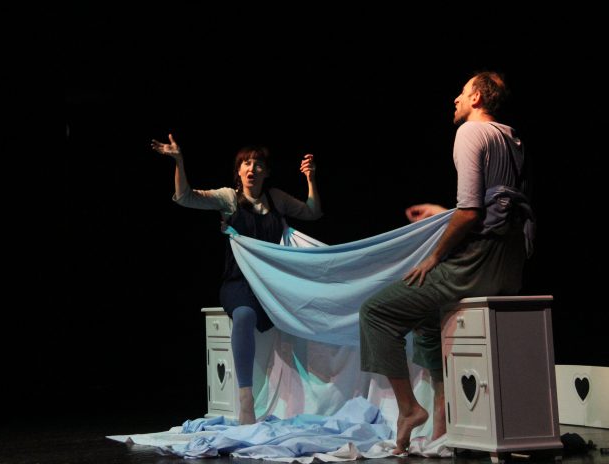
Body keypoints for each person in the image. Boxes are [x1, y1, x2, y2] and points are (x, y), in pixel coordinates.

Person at [359, 71, 534, 454]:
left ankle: (409, 409)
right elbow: (497, 205)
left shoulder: (470, 132)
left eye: (462, 92)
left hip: (478, 264)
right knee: (427, 321)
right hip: (510, 265)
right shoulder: (512, 138)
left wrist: (434, 257)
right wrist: (443, 212)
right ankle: (442, 409)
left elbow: (471, 212)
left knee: (375, 312)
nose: (455, 99)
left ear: (477, 98)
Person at [151, 134, 322, 424]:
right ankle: (246, 400)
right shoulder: (228, 198)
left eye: (258, 164)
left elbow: (313, 212)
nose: (252, 168)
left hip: (272, 284)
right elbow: (185, 197)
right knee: (243, 315)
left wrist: (311, 179)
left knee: (309, 312)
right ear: (238, 171)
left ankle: (309, 397)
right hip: (238, 281)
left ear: (266, 172)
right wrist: (178, 161)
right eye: (246, 163)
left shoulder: (276, 199)